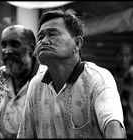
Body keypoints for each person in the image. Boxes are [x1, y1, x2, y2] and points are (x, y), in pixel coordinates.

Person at [17, 9, 126, 138]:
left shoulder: (98, 78)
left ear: (77, 43)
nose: (44, 41)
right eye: (40, 37)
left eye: (52, 34)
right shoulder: (36, 85)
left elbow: (115, 130)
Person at [0, 25, 46, 138]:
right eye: (4, 45)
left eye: (14, 44)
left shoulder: (45, 79)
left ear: (32, 48)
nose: (7, 51)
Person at [112, 42, 133, 138]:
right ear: (115, 56)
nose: (123, 59)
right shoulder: (109, 76)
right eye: (120, 55)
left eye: (127, 55)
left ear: (131, 57)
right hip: (115, 128)